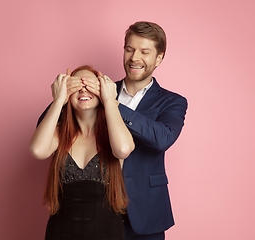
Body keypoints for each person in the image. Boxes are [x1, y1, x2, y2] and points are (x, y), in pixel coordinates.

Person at [79, 21, 188, 239]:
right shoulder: (98, 92)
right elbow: (53, 126)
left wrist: (113, 104)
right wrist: (63, 95)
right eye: (129, 49)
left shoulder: (173, 102)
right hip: (96, 211)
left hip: (146, 216)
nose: (134, 58)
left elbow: (162, 138)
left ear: (159, 58)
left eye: (144, 52)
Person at [29, 65, 135, 240]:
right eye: (76, 86)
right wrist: (58, 100)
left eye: (90, 85)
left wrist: (109, 100)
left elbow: (123, 150)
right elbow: (37, 150)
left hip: (107, 231)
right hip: (62, 231)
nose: (83, 89)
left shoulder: (113, 133)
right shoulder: (59, 133)